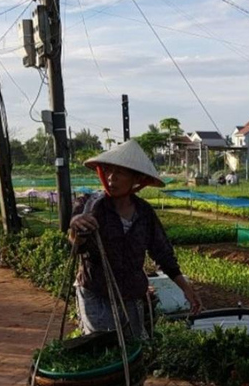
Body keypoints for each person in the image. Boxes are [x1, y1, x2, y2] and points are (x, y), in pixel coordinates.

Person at [69, 140, 202, 338]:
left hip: (131, 294)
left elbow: (163, 254)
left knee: (134, 348)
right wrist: (76, 230)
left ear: (136, 179)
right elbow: (74, 244)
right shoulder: (89, 206)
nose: (111, 178)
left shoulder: (144, 213)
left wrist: (186, 288)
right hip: (96, 292)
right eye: (108, 171)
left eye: (119, 173)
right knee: (103, 348)